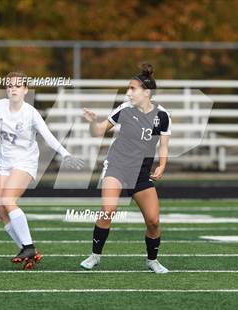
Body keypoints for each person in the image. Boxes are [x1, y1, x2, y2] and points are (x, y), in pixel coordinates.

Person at [0, 71, 83, 269]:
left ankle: (28, 246)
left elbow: (48, 136)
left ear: (25, 90)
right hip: (6, 164)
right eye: (10, 85)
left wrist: (65, 155)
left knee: (8, 201)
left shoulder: (30, 113)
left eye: (18, 85)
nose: (13, 88)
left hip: (25, 164)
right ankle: (29, 250)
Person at [80, 63, 171, 273]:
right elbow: (98, 131)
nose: (128, 92)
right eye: (128, 88)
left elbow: (164, 145)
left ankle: (152, 260)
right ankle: (95, 256)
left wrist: (162, 165)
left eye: (133, 88)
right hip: (117, 167)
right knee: (108, 210)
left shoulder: (163, 116)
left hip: (141, 172)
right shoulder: (125, 109)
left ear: (146, 92)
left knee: (153, 221)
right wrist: (93, 122)